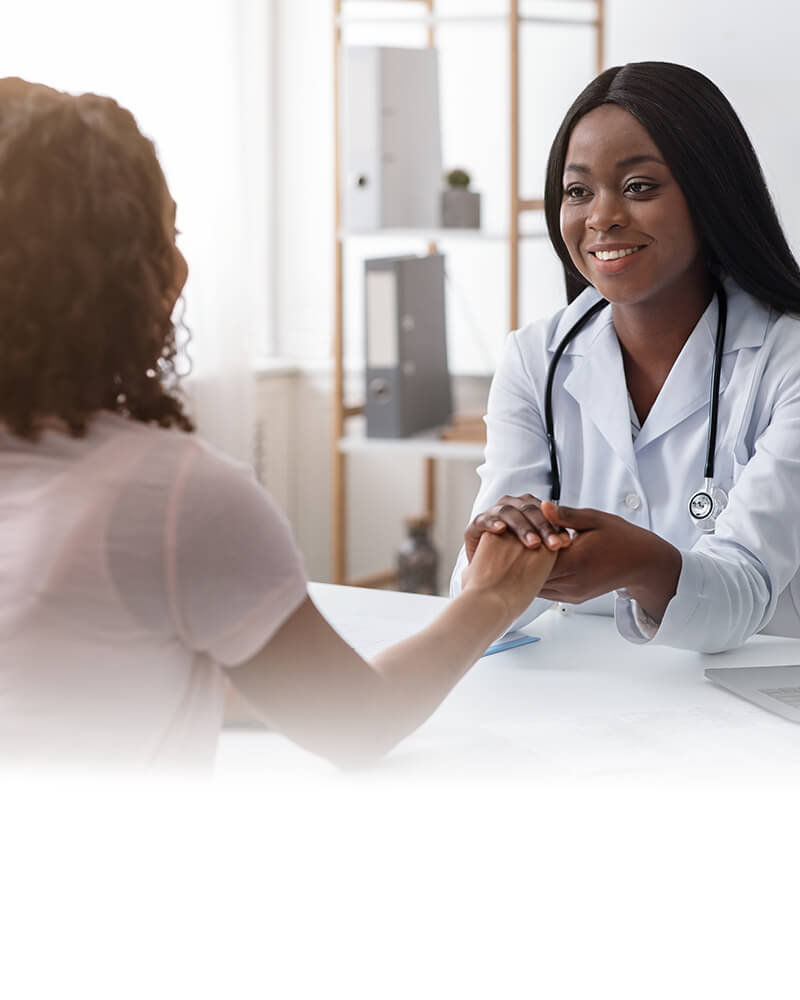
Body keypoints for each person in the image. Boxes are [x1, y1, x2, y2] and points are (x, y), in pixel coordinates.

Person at [0, 78, 555, 771]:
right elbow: (356, 722)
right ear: (120, 275)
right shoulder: (172, 496)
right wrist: (493, 595)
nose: (181, 263)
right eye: (166, 235)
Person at [451, 61, 800, 654]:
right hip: (594, 700)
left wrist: (643, 567)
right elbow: (480, 610)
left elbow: (746, 590)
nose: (601, 217)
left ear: (710, 194)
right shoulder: (535, 358)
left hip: (757, 700)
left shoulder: (783, 359)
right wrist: (500, 547)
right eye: (578, 191)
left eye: (639, 187)